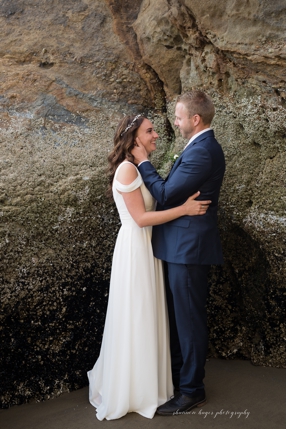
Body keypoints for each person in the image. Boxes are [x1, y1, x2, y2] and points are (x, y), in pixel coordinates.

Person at [88, 114, 210, 420]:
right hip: (135, 247)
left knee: (148, 314)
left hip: (147, 248)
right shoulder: (128, 169)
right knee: (137, 314)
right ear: (135, 139)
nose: (156, 135)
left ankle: (151, 383)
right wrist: (184, 210)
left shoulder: (139, 166)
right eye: (150, 131)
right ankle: (134, 387)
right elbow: (141, 218)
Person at [133, 90, 226, 415]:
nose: (174, 122)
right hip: (181, 246)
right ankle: (178, 380)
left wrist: (143, 162)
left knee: (188, 320)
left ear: (194, 119)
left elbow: (167, 193)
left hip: (189, 248)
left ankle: (191, 390)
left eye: (178, 117)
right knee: (181, 318)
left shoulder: (202, 152)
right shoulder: (198, 148)